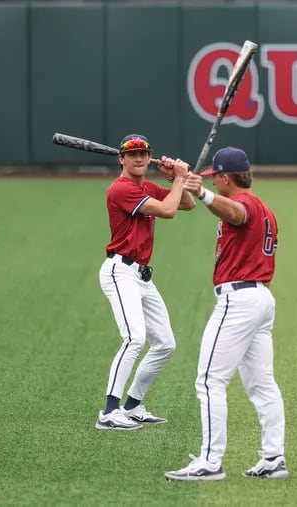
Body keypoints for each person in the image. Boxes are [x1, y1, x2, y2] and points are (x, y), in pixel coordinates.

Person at [165, 147, 288, 481]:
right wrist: (178, 181)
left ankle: (209, 462)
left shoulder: (245, 205)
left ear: (224, 177)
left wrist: (201, 191)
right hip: (260, 300)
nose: (211, 183)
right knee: (262, 385)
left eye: (213, 178)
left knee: (209, 380)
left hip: (240, 300)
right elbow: (192, 205)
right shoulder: (265, 207)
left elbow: (235, 213)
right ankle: (274, 458)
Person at [96, 134, 195, 431]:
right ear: (121, 159)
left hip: (141, 275)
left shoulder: (145, 186)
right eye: (133, 154)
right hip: (119, 271)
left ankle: (133, 405)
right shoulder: (121, 188)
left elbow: (186, 204)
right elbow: (168, 211)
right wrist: (178, 178)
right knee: (134, 338)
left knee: (165, 343)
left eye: (143, 153)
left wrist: (176, 179)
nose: (139, 158)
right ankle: (109, 412)